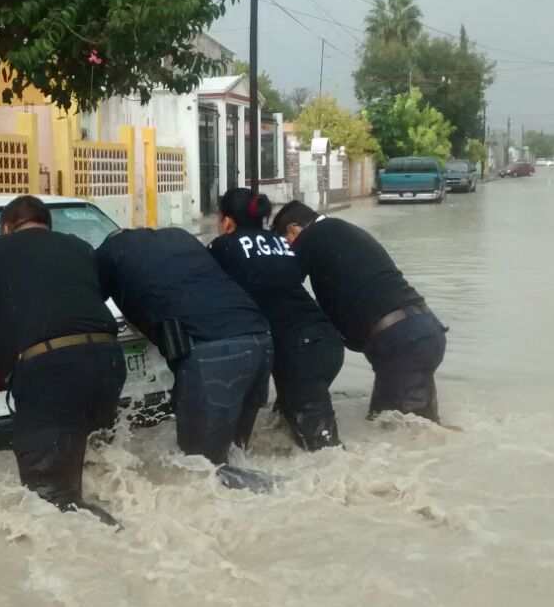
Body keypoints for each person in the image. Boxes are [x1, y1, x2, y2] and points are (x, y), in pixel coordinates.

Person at [0, 196, 125, 525]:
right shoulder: (78, 247)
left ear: (7, 228)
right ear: (47, 226)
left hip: (50, 371)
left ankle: (116, 546)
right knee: (96, 459)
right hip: (107, 362)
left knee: (48, 503)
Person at [95, 227, 276, 491]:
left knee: (201, 471)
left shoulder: (109, 253)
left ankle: (285, 492)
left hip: (214, 352)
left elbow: (84, 301)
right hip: (260, 339)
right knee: (237, 454)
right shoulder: (180, 237)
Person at [272, 201, 447, 422]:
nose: (287, 250)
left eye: (284, 244)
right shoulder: (339, 231)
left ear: (292, 230)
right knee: (390, 422)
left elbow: (279, 282)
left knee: (404, 434)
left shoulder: (313, 235)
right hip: (421, 333)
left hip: (401, 343)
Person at [209, 189, 344, 451]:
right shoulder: (281, 242)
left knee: (324, 450)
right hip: (324, 340)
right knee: (292, 431)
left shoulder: (223, 246)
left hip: (299, 350)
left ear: (226, 220)